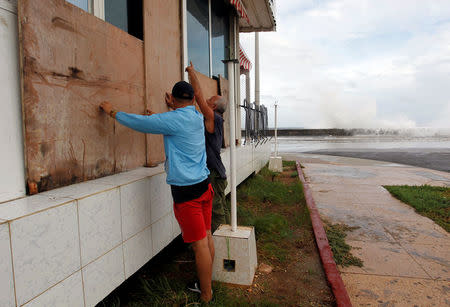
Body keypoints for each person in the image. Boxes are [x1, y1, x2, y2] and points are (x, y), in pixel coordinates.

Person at [99, 80, 214, 303]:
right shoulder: (197, 117)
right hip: (204, 185)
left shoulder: (172, 119)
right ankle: (207, 283)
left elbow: (141, 122)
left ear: (173, 98)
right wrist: (169, 111)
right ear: (192, 100)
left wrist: (112, 111)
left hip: (187, 192)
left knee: (199, 244)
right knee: (207, 236)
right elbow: (168, 121)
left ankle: (207, 296)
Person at [182, 62, 228, 232]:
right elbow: (190, 115)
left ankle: (222, 244)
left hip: (215, 174)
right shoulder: (213, 120)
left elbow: (199, 96)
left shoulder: (214, 119)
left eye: (210, 101)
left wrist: (192, 73)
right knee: (221, 208)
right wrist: (174, 106)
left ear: (213, 107)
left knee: (216, 212)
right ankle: (227, 238)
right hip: (218, 172)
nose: (206, 101)